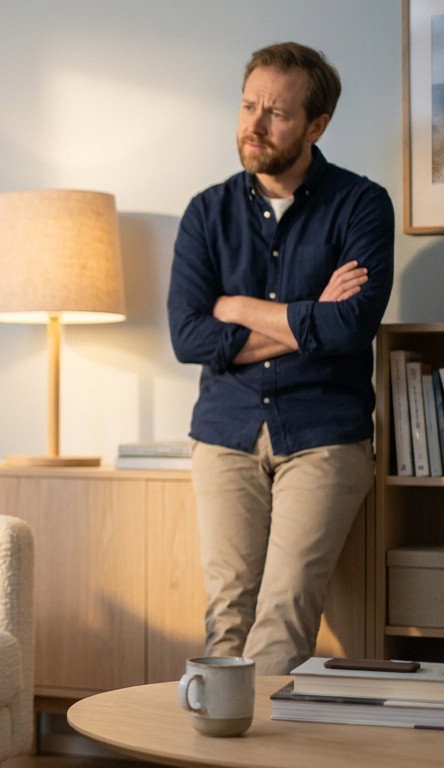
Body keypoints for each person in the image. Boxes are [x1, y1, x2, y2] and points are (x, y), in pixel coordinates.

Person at [167, 42, 394, 675]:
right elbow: (188, 337)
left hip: (324, 434)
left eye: (277, 113)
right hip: (226, 433)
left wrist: (236, 306)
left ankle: (260, 733)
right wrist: (309, 314)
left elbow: (350, 327)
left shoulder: (361, 204)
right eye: (249, 106)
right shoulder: (206, 212)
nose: (255, 125)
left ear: (317, 125)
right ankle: (218, 729)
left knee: (284, 612)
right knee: (227, 613)